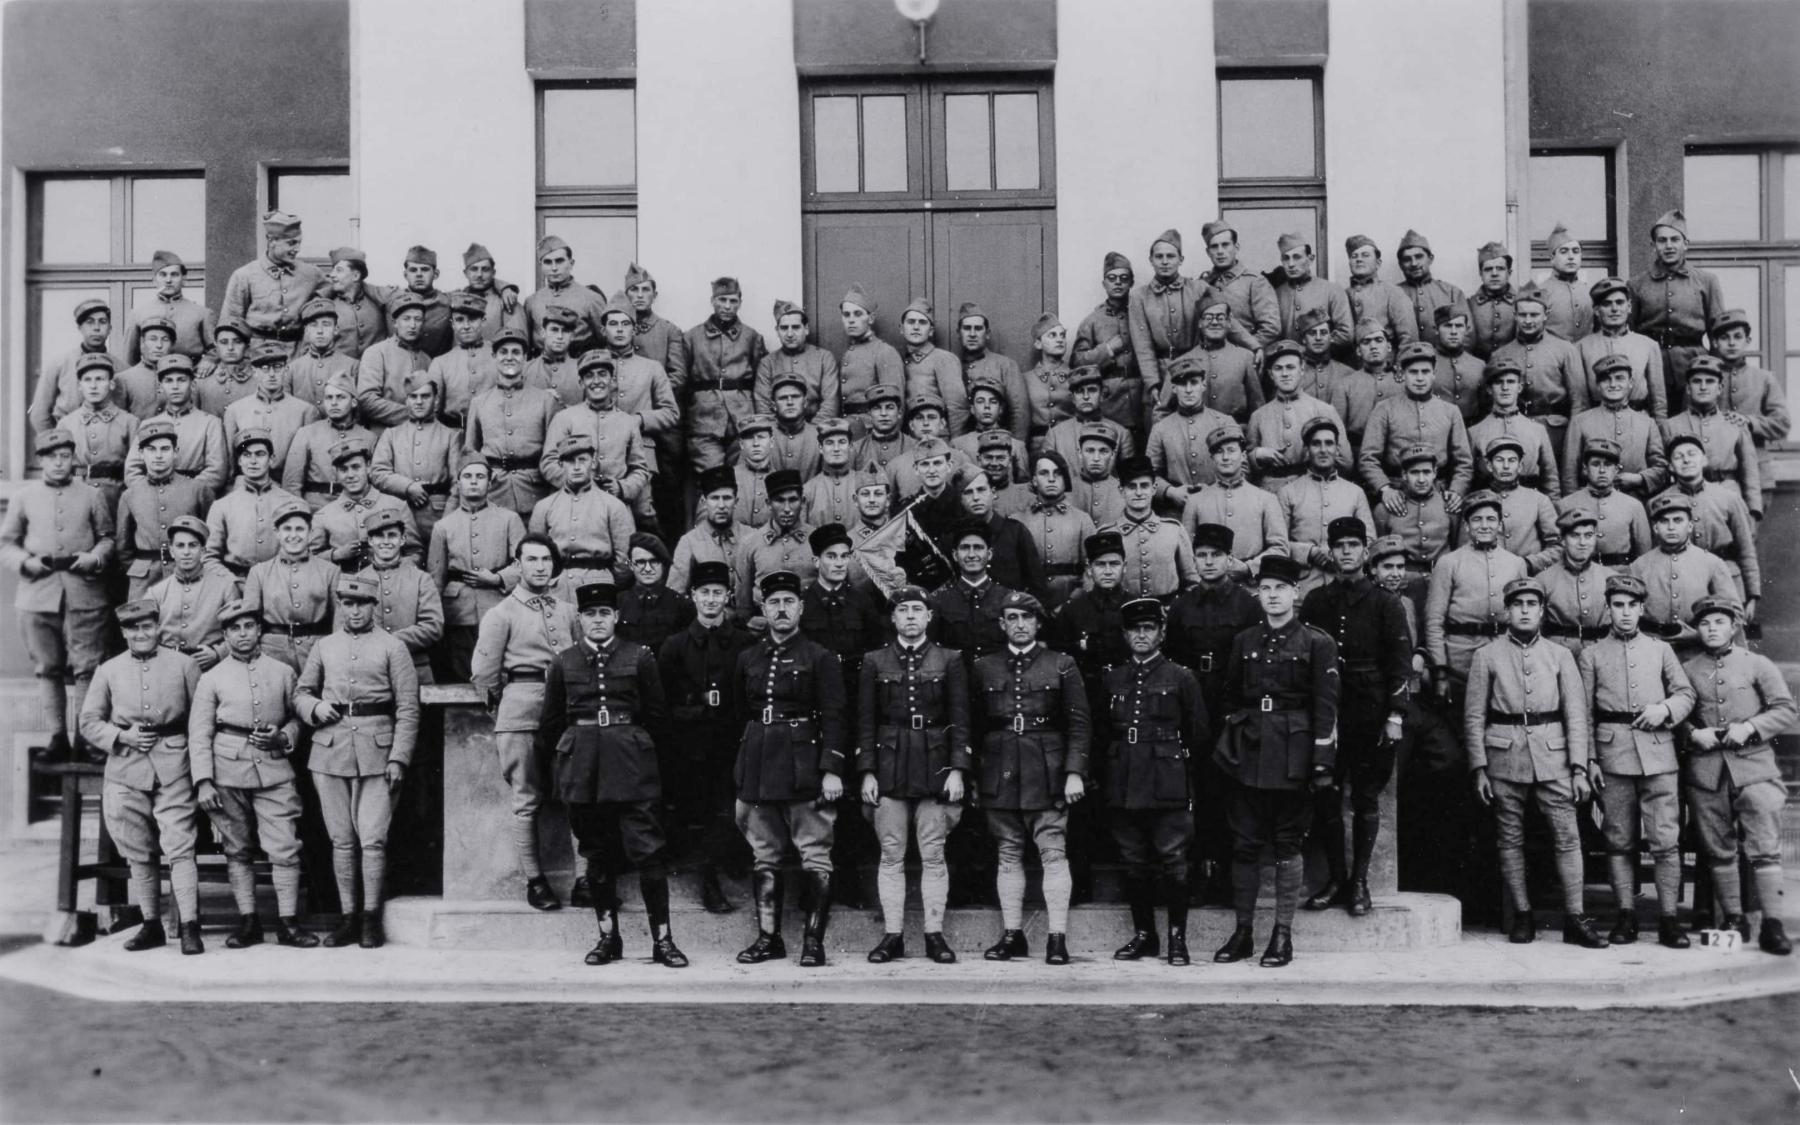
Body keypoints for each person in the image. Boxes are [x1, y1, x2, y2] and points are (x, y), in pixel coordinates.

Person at [539, 582, 686, 967]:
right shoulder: (564, 662)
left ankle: (663, 941)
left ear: (616, 616)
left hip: (633, 768)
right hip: (583, 770)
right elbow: (550, 725)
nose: (598, 620)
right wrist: (553, 777)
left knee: (649, 853)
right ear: (580, 618)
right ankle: (608, 938)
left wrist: (661, 775)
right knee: (597, 855)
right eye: (590, 614)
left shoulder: (639, 657)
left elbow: (657, 718)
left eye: (605, 613)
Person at [1465, 576, 1608, 948]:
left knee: (1568, 836)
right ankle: (1522, 914)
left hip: (1554, 756)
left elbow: (1576, 715)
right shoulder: (1487, 655)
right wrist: (1479, 767)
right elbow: (1474, 716)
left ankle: (1575, 918)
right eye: (1518, 604)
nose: (1525, 611)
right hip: (1503, 755)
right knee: (1509, 837)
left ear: (1543, 611)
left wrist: (1578, 767)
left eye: (1532, 604)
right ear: (1507, 611)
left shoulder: (1560, 655)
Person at [1211, 554, 1338, 967]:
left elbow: (1326, 707)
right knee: (1245, 845)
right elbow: (1230, 695)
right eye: (1265, 588)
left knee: (1287, 845)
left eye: (1280, 588)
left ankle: (1282, 935)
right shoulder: (1245, 641)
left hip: (1293, 757)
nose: (1272, 596)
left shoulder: (1317, 643)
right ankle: (1243, 932)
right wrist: (1235, 734)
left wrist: (1321, 761)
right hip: (1249, 753)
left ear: (1295, 593)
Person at [295, 575, 420, 949]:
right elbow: (301, 692)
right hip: (329, 751)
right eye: (348, 604)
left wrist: (399, 757)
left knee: (373, 840)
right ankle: (348, 918)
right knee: (341, 841)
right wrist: (315, 707)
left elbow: (408, 708)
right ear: (340, 606)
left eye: (362, 604)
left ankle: (370, 918)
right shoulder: (325, 646)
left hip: (377, 752)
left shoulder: (393, 647)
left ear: (373, 606)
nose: (354, 611)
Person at [731, 571, 849, 966]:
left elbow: (835, 715)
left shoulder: (820, 657)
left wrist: (831, 769)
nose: (781, 609)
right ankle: (768, 939)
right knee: (764, 853)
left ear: (801, 608)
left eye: (788, 602)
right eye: (774, 603)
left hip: (804, 765)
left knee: (815, 852)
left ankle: (813, 943)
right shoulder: (748, 657)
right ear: (763, 609)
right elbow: (740, 714)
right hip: (758, 763)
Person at [188, 599, 318, 949]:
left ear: (260, 629)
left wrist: (284, 736)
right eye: (234, 628)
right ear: (225, 635)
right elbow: (199, 732)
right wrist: (203, 781)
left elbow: (296, 718)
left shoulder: (283, 672)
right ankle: (249, 922)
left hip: (274, 768)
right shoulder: (211, 678)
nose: (242, 634)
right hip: (227, 770)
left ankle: (288, 923)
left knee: (284, 846)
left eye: (248, 626)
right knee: (237, 849)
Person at [1299, 519, 1411, 916]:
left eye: (1353, 544)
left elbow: (1400, 663)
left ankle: (1360, 881)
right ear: (1330, 551)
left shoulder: (1386, 603)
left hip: (1371, 710)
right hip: (1327, 712)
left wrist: (1395, 714)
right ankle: (1336, 879)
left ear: (1366, 551)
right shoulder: (1316, 601)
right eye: (1339, 545)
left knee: (1365, 797)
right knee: (1326, 796)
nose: (1346, 552)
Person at [1577, 574, 1696, 948]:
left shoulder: (1660, 650)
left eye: (1632, 605)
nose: (1625, 613)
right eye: (1618, 605)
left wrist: (1665, 709)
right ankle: (1625, 916)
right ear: (1608, 608)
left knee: (1666, 841)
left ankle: (1669, 919)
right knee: (1619, 841)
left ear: (1642, 608)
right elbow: (1584, 713)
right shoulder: (1592, 655)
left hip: (1659, 755)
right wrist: (1590, 759)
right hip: (1613, 757)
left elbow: (1686, 693)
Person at [972, 590, 1090, 965]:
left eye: (1026, 617)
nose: (1020, 624)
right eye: (1012, 618)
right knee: (1007, 852)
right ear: (1002, 624)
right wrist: (974, 774)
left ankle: (1057, 938)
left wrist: (1074, 772)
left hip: (1048, 769)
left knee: (1053, 851)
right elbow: (973, 724)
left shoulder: (1062, 664)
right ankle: (1012, 935)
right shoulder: (984, 667)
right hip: (999, 767)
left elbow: (1079, 724)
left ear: (1038, 623)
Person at [79, 600, 203, 954]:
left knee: (180, 846)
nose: (141, 633)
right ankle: (151, 925)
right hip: (126, 768)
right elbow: (89, 721)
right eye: (133, 628)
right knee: (137, 850)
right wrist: (122, 736)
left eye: (147, 626)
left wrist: (199, 767)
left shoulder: (184, 665)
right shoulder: (109, 670)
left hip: (175, 765)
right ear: (124, 632)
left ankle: (190, 926)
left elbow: (200, 719)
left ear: (158, 627)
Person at [855, 585, 971, 964]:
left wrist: (958, 770)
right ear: (892, 618)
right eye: (902, 610)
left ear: (929, 617)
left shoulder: (950, 660)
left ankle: (934, 935)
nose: (909, 616)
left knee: (933, 853)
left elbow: (961, 720)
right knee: (891, 854)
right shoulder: (874, 661)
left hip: (936, 766)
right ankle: (893, 936)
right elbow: (865, 721)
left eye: (917, 610)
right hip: (888, 766)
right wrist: (867, 771)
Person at [1681, 597, 1796, 956]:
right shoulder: (1688, 670)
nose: (1712, 629)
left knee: (1765, 849)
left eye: (1719, 622)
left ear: (1734, 626)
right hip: (1707, 772)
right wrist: (1692, 733)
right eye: (1705, 623)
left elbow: (1785, 710)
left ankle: (1773, 925)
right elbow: (1678, 715)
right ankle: (1733, 920)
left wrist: (1750, 727)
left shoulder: (1757, 664)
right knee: (1718, 849)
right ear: (1697, 629)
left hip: (1754, 768)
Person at [470, 534, 579, 910]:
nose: (540, 567)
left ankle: (585, 879)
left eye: (546, 559)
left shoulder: (568, 611)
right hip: (521, 713)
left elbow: (580, 660)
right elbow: (484, 674)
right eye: (531, 559)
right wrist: (507, 710)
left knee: (578, 794)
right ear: (517, 565)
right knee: (526, 798)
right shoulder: (501, 614)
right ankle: (535, 881)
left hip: (567, 713)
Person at [1103, 597, 1209, 965]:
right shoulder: (1113, 678)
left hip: (1168, 779)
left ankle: (1177, 939)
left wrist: (1185, 779)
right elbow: (1104, 732)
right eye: (1135, 629)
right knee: (1132, 859)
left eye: (1149, 628)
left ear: (1162, 633)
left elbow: (1198, 733)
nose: (1141, 635)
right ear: (1125, 635)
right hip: (1124, 779)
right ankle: (1144, 935)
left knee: (1173, 858)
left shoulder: (1181, 677)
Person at [1, 427, 116, 759]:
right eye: (52, 457)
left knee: (87, 667)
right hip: (37, 593)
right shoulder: (24, 496)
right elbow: (6, 544)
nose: (59, 463)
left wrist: (95, 558)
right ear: (40, 460)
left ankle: (86, 738)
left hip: (85, 593)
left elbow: (107, 538)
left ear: (73, 459)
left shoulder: (91, 495)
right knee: (47, 667)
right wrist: (26, 562)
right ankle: (57, 738)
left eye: (65, 456)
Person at [1164, 522, 1261, 904]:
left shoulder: (1248, 605)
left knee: (1230, 794)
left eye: (1215, 555)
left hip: (1230, 705)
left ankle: (1225, 876)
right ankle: (1197, 873)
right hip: (1193, 706)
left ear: (1229, 558)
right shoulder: (1182, 606)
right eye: (1201, 555)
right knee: (1195, 791)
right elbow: (1172, 661)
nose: (1207, 562)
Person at [657, 560, 757, 913]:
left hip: (734, 742)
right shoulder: (675, 646)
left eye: (718, 592)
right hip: (691, 746)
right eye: (704, 593)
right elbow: (663, 703)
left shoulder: (745, 643)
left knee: (732, 807)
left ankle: (731, 857)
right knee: (699, 810)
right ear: (693, 596)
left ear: (728, 596)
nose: (711, 599)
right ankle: (708, 879)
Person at [1424, 491, 1529, 704]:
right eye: (1477, 520)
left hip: (1503, 657)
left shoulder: (1516, 564)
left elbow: (1522, 618)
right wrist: (1440, 671)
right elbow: (1434, 620)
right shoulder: (1449, 563)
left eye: (1491, 519)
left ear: (1500, 525)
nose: (1484, 525)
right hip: (1459, 662)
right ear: (1466, 525)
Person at [426, 453, 524, 681]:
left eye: (480, 477)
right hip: (458, 612)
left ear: (489, 483)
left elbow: (523, 565)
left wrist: (498, 579)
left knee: (498, 671)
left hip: (499, 604)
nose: (473, 481)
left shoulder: (509, 519)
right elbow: (435, 578)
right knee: (462, 672)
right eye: (467, 476)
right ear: (458, 483)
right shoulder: (443, 526)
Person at [1361, 342, 1474, 518]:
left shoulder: (1450, 411)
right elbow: (1368, 458)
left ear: (1434, 374)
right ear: (1402, 374)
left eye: (1425, 372)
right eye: (1413, 372)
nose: (1420, 378)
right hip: (1397, 495)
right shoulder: (1384, 409)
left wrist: (1456, 491)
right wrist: (1385, 489)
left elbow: (1464, 462)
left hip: (1439, 494)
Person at [541, 352, 654, 523]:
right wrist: (579, 484)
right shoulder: (565, 418)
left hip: (616, 507)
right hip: (572, 506)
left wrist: (622, 488)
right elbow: (549, 463)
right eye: (589, 376)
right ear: (581, 383)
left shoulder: (628, 422)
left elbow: (639, 468)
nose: (596, 381)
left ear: (612, 380)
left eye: (602, 374)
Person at [1629, 209, 1726, 407]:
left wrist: (1713, 371)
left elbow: (1718, 334)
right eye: (1662, 240)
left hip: (1695, 365)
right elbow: (1629, 334)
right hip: (1651, 365)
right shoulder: (1636, 285)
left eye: (1675, 239)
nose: (1669, 246)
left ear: (1685, 244)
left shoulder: (1706, 281)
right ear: (1653, 246)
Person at [465, 327, 560, 518]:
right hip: (494, 494)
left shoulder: (545, 400)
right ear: (494, 357)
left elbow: (555, 455)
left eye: (516, 352)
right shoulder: (479, 403)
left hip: (535, 492)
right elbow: (471, 454)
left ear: (525, 357)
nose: (509, 357)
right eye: (503, 352)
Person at [1629, 493, 1738, 658]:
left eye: (1678, 520)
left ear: (1690, 526)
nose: (1671, 527)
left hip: (1699, 652)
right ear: (1655, 528)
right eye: (1664, 521)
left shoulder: (1711, 563)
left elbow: (1734, 613)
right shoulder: (1639, 566)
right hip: (1652, 651)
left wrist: (1700, 635)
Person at [116, 420, 215, 600]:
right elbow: (124, 547)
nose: (158, 455)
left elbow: (212, 540)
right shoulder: (130, 495)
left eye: (165, 449)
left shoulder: (198, 490)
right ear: (141, 453)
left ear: (175, 452)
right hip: (144, 581)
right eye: (151, 449)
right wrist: (140, 567)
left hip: (188, 576)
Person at [1276, 417, 1374, 593]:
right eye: (1316, 444)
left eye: (1329, 443)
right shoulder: (1288, 492)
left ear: (1337, 449)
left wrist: (1340, 553)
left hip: (1346, 587)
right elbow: (1277, 544)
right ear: (1307, 450)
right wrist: (1309, 552)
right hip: (1302, 588)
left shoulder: (1355, 493)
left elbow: (1370, 541)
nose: (1323, 450)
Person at [530, 433, 637, 592]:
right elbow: (534, 552)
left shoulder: (613, 505)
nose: (576, 467)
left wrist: (608, 585)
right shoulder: (544, 507)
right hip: (556, 588)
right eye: (570, 461)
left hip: (600, 585)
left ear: (593, 462)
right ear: (560, 464)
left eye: (582, 460)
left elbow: (624, 558)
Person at [1708, 308, 1790, 515]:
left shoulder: (1764, 379)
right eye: (1724, 338)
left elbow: (1782, 423)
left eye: (1738, 337)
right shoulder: (1704, 380)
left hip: (1758, 477)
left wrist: (1750, 422)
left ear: (1748, 340)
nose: (1732, 343)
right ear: (1715, 342)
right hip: (1715, 476)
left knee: (1751, 533)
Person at [1179, 426, 1287, 580]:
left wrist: (1249, 568)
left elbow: (1280, 548)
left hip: (1251, 585)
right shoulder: (1195, 501)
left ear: (1243, 456)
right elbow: (1186, 551)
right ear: (1212, 459)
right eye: (1219, 452)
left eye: (1231, 451)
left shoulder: (1266, 499)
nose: (1225, 457)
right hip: (1208, 585)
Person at [243, 500, 339, 673]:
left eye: (300, 529)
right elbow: (249, 621)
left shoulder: (330, 571)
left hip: (317, 651)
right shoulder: (259, 572)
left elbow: (339, 621)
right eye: (287, 529)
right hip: (271, 652)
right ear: (277, 533)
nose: (293, 535)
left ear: (310, 532)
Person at [684, 276, 767, 472]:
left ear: (740, 303)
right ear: (712, 301)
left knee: (743, 475)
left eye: (733, 301)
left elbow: (761, 381)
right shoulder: (692, 337)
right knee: (712, 477)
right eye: (722, 300)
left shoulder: (752, 337)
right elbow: (683, 381)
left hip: (743, 418)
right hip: (704, 420)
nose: (727, 306)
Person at [1129, 229, 1222, 405]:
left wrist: (1254, 346)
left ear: (1181, 259)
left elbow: (1225, 319)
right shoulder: (1139, 297)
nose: (1165, 261)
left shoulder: (1199, 288)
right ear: (1151, 260)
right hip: (1161, 371)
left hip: (1197, 368)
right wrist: (1152, 383)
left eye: (1170, 256)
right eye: (1159, 257)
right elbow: (1142, 345)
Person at [1661, 356, 1761, 518]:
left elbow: (1749, 470)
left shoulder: (1735, 424)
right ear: (1688, 388)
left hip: (1727, 493)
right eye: (1697, 381)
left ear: (1720, 388)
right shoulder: (1670, 425)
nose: (1703, 387)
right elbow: (1663, 468)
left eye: (1709, 381)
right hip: (1683, 498)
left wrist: (1753, 510)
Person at [372, 373, 464, 549]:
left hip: (437, 514)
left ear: (436, 400)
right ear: (406, 400)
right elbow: (378, 472)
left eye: (425, 396)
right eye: (413, 397)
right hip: (399, 514)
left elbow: (457, 483)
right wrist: (408, 487)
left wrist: (447, 521)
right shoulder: (391, 434)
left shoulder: (450, 436)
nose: (419, 402)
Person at [219, 210, 327, 356]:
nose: (297, 249)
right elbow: (229, 323)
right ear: (272, 241)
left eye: (299, 243)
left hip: (297, 354)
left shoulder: (311, 274)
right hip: (257, 354)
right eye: (291, 243)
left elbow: (333, 292)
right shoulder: (244, 275)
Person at [356, 507, 443, 684]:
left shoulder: (421, 579)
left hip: (415, 668)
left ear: (402, 540)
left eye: (392, 535)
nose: (386, 541)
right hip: (370, 672)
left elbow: (433, 626)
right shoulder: (357, 581)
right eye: (379, 536)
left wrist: (391, 641)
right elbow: (344, 628)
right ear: (370, 541)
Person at [1489, 289, 1582, 455]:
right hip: (1513, 430)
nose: (1528, 320)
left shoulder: (1565, 350)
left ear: (1546, 315)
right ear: (1515, 316)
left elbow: (1579, 402)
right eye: (1522, 315)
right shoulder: (1500, 354)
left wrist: (1573, 442)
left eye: (1534, 315)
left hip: (1554, 430)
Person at [1565, 353, 1668, 499]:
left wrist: (1639, 479)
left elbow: (1661, 468)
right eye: (1606, 379)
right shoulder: (1580, 422)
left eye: (1619, 378)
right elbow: (1569, 474)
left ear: (1630, 382)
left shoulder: (1647, 423)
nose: (1613, 384)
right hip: (1591, 504)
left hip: (1636, 502)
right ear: (1598, 385)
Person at [1247, 341, 1351, 484]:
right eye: (1278, 368)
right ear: (1270, 374)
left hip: (1313, 488)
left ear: (1302, 370)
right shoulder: (1259, 416)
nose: (1285, 374)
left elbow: (1345, 462)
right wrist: (1257, 455)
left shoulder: (1324, 410)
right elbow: (1245, 466)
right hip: (1270, 489)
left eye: (1290, 367)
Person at [309, 436, 422, 568]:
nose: (350, 475)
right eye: (344, 470)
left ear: (368, 467)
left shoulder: (397, 506)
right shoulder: (324, 515)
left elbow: (416, 553)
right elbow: (310, 560)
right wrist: (335, 555)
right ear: (336, 473)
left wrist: (391, 567)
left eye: (356, 467)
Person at [204, 428, 303, 577]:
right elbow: (209, 557)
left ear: (271, 459)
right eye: (246, 455)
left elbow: (302, 555)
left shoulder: (291, 503)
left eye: (260, 454)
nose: (253, 461)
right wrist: (233, 582)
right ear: (239, 461)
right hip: (235, 582)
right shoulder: (222, 506)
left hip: (279, 580)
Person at [124, 356, 230, 493]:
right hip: (153, 495)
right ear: (160, 387)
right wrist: (152, 493)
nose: (175, 387)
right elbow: (132, 470)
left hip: (193, 495)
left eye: (181, 380)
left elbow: (216, 472)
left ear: (193, 385)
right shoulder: (148, 424)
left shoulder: (210, 423)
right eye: (168, 381)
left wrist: (183, 492)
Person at [143, 516, 238, 667]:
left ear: (203, 551)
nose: (186, 552)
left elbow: (239, 631)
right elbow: (144, 633)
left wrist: (218, 653)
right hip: (168, 665)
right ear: (172, 551)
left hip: (209, 667)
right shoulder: (156, 592)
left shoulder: (225, 588)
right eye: (180, 546)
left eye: (192, 545)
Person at [223, 341, 319, 482]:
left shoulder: (305, 410)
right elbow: (231, 459)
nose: (272, 374)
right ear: (254, 372)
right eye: (265, 369)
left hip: (287, 484)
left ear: (286, 369)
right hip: (247, 483)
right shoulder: (235, 410)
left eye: (277, 367)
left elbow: (309, 459)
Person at [1146, 355, 1233, 508]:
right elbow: (1149, 473)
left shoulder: (1224, 422)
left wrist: (1216, 490)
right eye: (1182, 384)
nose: (1188, 390)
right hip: (1177, 510)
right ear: (1174, 388)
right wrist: (1170, 492)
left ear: (1203, 385)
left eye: (1193, 383)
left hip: (1219, 505)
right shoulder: (1161, 428)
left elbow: (1242, 467)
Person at [1104, 455, 1198, 598]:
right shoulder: (1107, 534)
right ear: (1121, 490)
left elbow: (1192, 581)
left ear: (1154, 489)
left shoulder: (1174, 530)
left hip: (1168, 609)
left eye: (1144, 486)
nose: (1139, 493)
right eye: (1131, 486)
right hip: (1122, 610)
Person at [1071, 254, 1144, 437]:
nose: (1118, 282)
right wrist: (1107, 349)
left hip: (1143, 398)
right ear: (1104, 283)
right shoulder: (1092, 321)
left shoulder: (1143, 314)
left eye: (1124, 278)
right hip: (1110, 402)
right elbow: (1077, 362)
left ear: (1132, 282)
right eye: (1112, 278)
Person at [1577, 278, 1667, 420]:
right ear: (1596, 310)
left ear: (1629, 307)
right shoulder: (1582, 347)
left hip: (1638, 421)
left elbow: (1659, 403)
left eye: (1620, 302)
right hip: (1597, 421)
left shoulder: (1648, 345)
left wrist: (1659, 427)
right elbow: (1580, 401)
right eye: (1607, 304)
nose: (1614, 309)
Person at [1468, 358, 1560, 498]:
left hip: (1528, 503)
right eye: (1498, 382)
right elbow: (1467, 477)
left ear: (1520, 387)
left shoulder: (1537, 430)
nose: (1505, 388)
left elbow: (1550, 479)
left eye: (1511, 382)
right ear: (1489, 389)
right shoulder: (1475, 432)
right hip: (1488, 503)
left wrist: (1552, 505)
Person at [1161, 298, 1261, 425]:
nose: (1214, 322)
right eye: (1208, 318)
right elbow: (1162, 412)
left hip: (1235, 433)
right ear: (1200, 323)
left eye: (1220, 318)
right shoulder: (1182, 361)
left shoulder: (1245, 357)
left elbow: (1258, 408)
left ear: (1229, 323)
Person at [1013, 452, 1094, 608]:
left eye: (1057, 473)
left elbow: (1092, 568)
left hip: (1072, 605)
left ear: (1065, 480)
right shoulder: (1017, 521)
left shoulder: (1082, 520)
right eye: (1044, 473)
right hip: (1029, 607)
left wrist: (1072, 603)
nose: (1051, 479)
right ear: (1034, 480)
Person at [734, 470, 815, 620]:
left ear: (803, 502)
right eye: (779, 500)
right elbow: (743, 605)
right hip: (764, 628)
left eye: (793, 500)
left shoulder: (816, 540)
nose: (787, 509)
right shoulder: (750, 543)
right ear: (768, 503)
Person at [1556, 438, 1651, 566]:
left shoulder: (1634, 506)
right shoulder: (1565, 505)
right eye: (1595, 464)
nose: (1602, 470)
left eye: (1608, 464)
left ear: (1616, 470)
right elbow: (1557, 551)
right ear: (1585, 468)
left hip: (1621, 573)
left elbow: (1644, 556)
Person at [284, 374, 373, 510]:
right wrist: (300, 513)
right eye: (329, 397)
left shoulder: (369, 438)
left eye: (340, 397)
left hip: (356, 509)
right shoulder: (307, 433)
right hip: (316, 509)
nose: (334, 402)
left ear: (354, 402)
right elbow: (291, 484)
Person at [30, 298, 118, 436]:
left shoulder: (121, 368)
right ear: (80, 328)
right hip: (69, 440)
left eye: (102, 322)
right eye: (89, 322)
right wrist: (56, 443)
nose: (96, 328)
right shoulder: (59, 364)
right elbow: (39, 415)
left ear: (110, 329)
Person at [65, 354, 137, 516]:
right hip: (77, 498)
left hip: (116, 498)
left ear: (111, 384)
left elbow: (137, 470)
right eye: (87, 380)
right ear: (79, 385)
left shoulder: (129, 422)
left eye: (100, 379)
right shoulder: (67, 424)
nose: (93, 386)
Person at [670, 465, 755, 597]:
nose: (721, 505)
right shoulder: (689, 542)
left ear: (736, 501)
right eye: (714, 498)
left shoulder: (752, 537)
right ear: (704, 501)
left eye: (727, 498)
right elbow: (674, 595)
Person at [1538, 509, 1614, 654]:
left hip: (1602, 654)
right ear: (1563, 540)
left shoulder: (1611, 578)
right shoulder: (1543, 580)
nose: (1582, 543)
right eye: (1575, 536)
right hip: (1559, 655)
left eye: (1588, 535)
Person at [835, 284, 905, 438]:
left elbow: (896, 405)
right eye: (846, 315)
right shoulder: (848, 353)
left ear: (871, 318)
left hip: (872, 432)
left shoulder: (884, 352)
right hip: (850, 432)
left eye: (857, 314)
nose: (851, 320)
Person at [1199, 220, 1281, 349]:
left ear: (1236, 247)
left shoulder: (1255, 282)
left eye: (1225, 245)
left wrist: (1244, 353)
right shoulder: (1203, 284)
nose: (1220, 251)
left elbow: (1271, 328)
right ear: (1208, 252)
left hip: (1246, 355)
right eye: (1214, 247)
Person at [123, 249, 214, 366]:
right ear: (154, 280)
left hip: (189, 372)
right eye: (163, 275)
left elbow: (215, 350)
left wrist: (208, 360)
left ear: (184, 280)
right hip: (151, 374)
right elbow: (129, 357)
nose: (168, 280)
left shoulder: (201, 313)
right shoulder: (138, 313)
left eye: (174, 275)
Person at [1373, 444, 1454, 574]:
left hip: (1442, 574)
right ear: (1404, 474)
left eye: (1426, 472)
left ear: (1435, 473)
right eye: (1414, 472)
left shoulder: (1449, 504)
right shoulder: (1385, 509)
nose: (1421, 480)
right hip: (1402, 577)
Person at [1482, 436, 1561, 569]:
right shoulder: (1476, 500)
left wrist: (1529, 564)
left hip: (1529, 576)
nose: (1506, 466)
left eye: (1512, 460)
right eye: (1499, 460)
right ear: (1489, 465)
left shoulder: (1538, 500)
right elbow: (1465, 548)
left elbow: (1558, 546)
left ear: (1520, 466)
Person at [1330, 316, 1407, 451]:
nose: (1373, 346)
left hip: (1398, 451)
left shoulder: (1403, 380)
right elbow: (1337, 431)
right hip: (1358, 451)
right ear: (1358, 351)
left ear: (1389, 346)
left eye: (1379, 340)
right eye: (1366, 342)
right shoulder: (1345, 385)